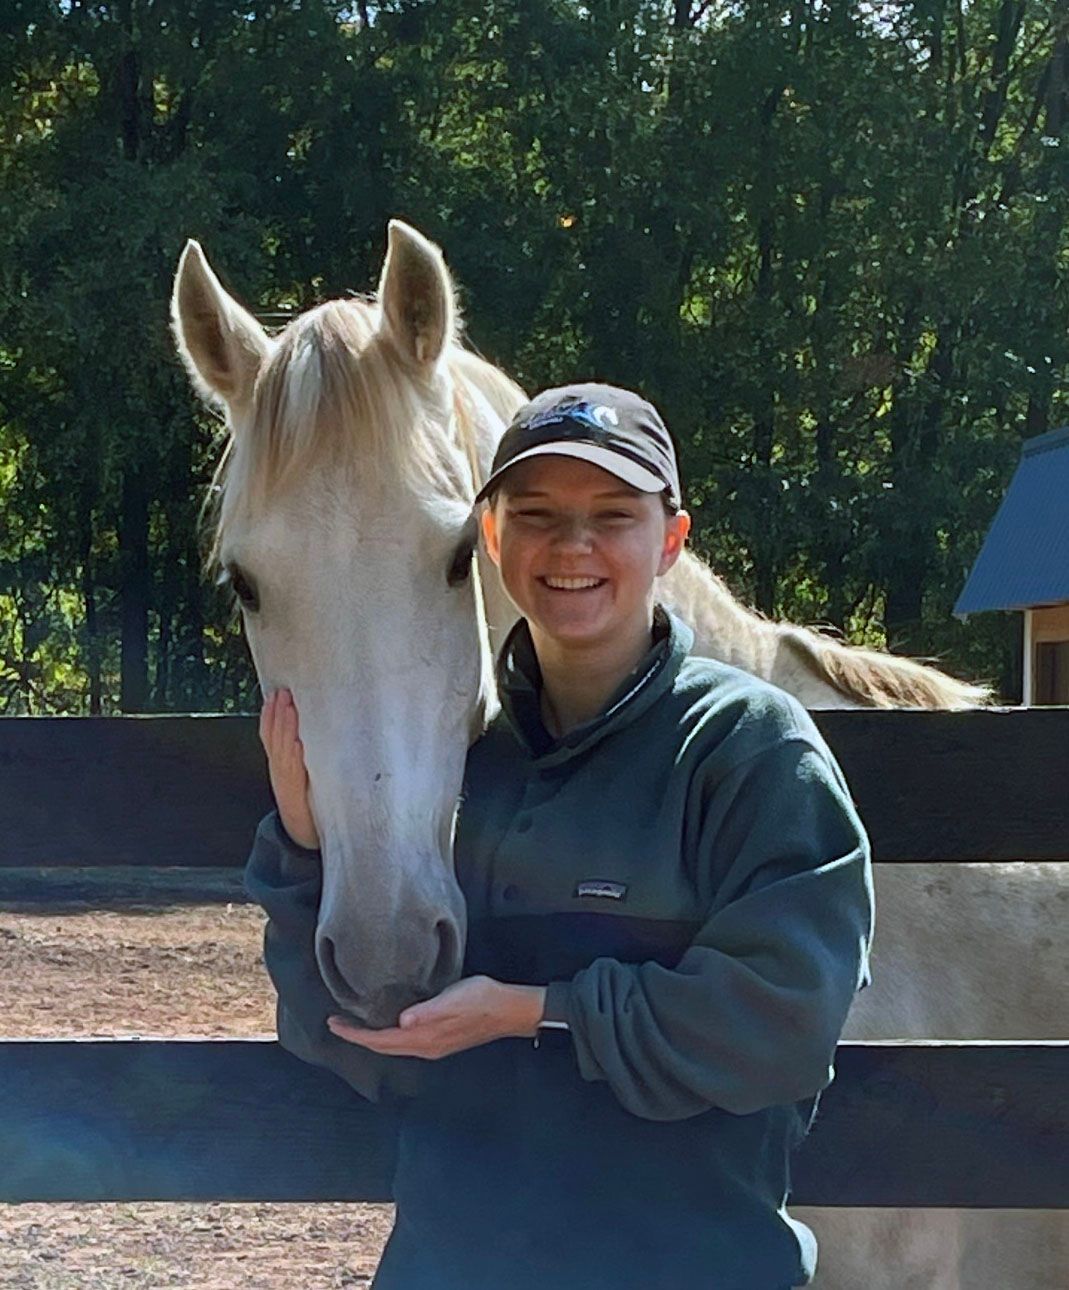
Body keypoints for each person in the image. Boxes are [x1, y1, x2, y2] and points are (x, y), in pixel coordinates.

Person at [245, 383, 875, 1289]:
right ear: (491, 540)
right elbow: (344, 1031)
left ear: (669, 540)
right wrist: (308, 853)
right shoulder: (463, 765)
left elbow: (780, 1022)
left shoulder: (748, 749)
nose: (571, 546)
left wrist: (530, 1010)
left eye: (611, 515)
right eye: (535, 514)